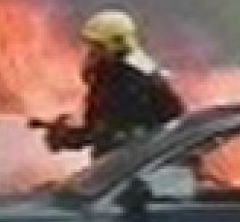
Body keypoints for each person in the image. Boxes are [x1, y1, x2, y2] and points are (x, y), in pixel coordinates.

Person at [41, 9, 184, 157]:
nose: (91, 52)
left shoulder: (127, 81)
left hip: (134, 161)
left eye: (97, 46)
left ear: (112, 45)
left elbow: (108, 131)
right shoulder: (121, 73)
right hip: (134, 159)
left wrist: (69, 136)